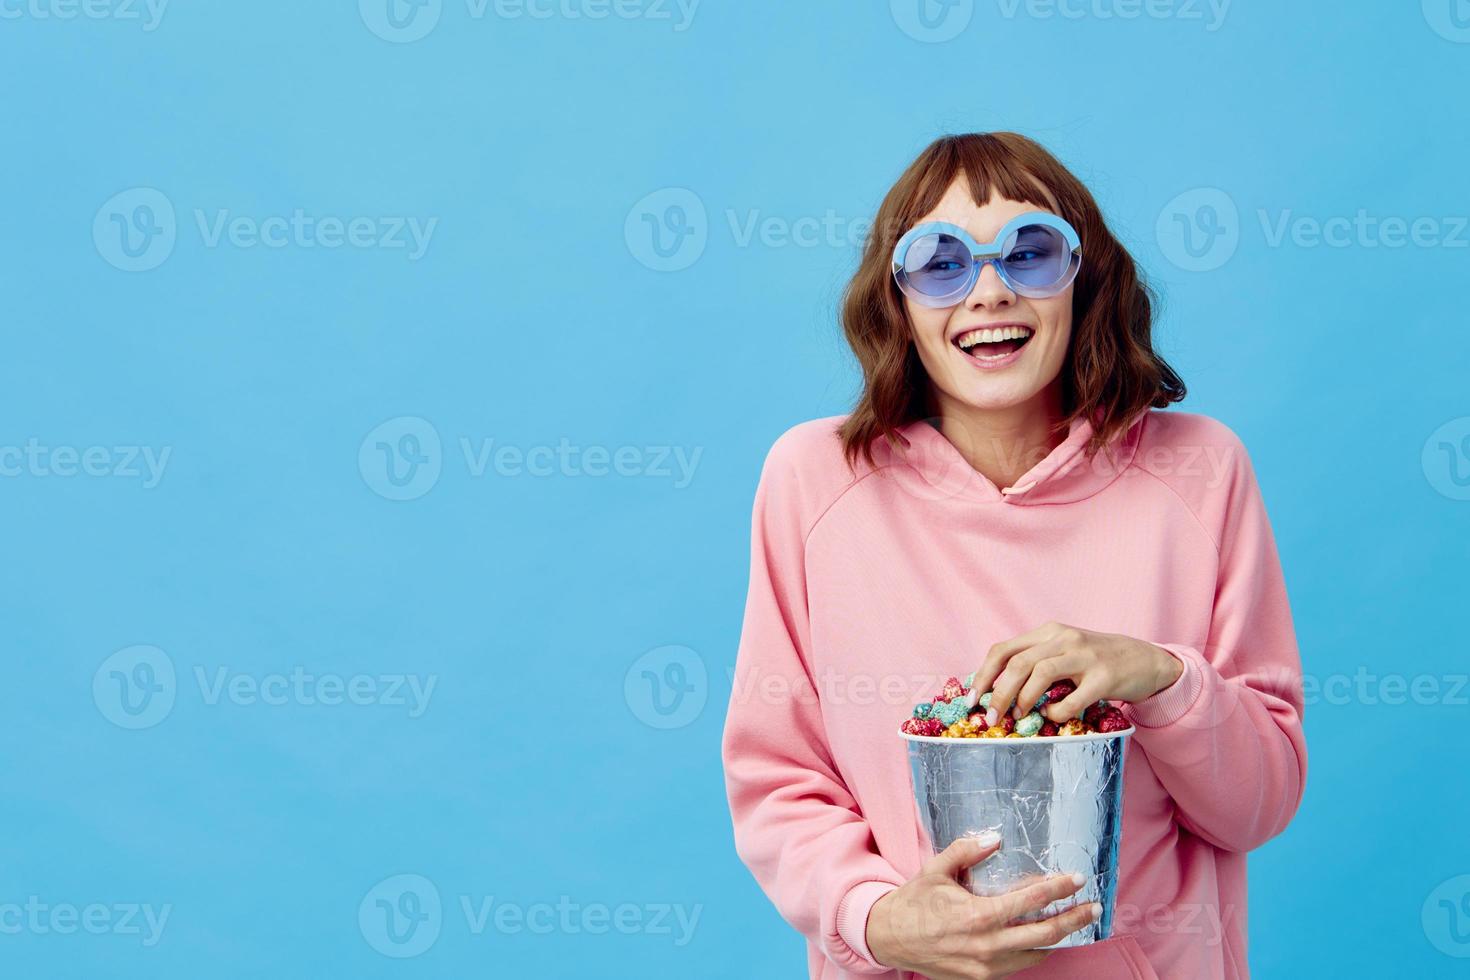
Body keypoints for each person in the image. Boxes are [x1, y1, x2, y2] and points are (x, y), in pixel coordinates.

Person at [720, 132, 1307, 980]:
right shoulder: (816, 481)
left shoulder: (1201, 469)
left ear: (1086, 279)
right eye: (942, 262)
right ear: (897, 301)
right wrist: (877, 918)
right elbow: (778, 780)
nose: (990, 291)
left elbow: (1259, 803)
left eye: (1031, 254)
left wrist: (1161, 677)